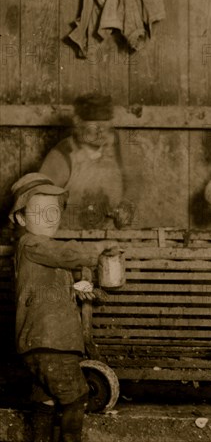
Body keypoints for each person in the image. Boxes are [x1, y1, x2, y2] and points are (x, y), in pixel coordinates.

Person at [9, 173, 118, 442]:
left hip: (40, 343)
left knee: (46, 401)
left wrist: (76, 292)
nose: (49, 218)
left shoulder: (38, 252)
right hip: (51, 344)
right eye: (40, 212)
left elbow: (45, 291)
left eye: (54, 211)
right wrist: (100, 250)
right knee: (77, 397)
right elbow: (65, 254)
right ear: (21, 219)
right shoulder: (32, 243)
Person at [39, 93, 134, 230]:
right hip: (71, 242)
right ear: (78, 122)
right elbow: (37, 208)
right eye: (95, 125)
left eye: (106, 126)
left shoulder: (116, 148)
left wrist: (127, 203)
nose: (102, 131)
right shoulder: (61, 157)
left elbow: (133, 181)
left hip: (111, 241)